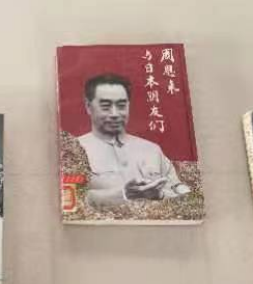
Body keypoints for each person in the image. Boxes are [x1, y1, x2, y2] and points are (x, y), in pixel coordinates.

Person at [76, 74, 190, 208]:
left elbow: (177, 190)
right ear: (88, 106)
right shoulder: (75, 150)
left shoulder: (152, 149)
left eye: (121, 105)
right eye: (106, 106)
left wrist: (160, 195)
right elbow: (75, 198)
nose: (115, 114)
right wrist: (125, 194)